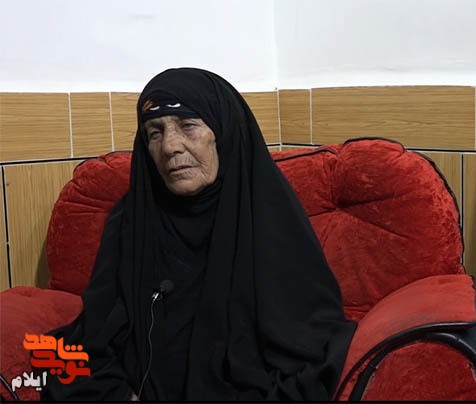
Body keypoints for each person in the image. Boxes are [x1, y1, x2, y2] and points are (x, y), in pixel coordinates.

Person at [40, 67, 357, 401]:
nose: (170, 147)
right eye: (154, 132)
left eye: (188, 126)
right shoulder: (132, 219)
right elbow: (98, 331)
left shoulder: (268, 216)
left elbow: (311, 342)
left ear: (222, 132)